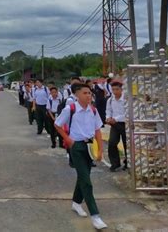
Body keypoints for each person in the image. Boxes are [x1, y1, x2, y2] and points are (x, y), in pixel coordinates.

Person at [54, 84, 107, 230]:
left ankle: (76, 203)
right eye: (85, 93)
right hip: (76, 147)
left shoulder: (93, 110)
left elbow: (97, 130)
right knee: (86, 181)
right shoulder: (70, 109)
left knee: (83, 176)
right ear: (77, 95)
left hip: (90, 146)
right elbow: (57, 124)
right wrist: (67, 139)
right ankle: (95, 216)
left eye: (90, 93)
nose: (89, 95)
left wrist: (100, 150)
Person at [106, 81, 128, 172]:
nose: (115, 92)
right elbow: (108, 110)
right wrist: (108, 118)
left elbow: (127, 113)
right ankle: (115, 163)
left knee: (127, 144)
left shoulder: (126, 100)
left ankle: (128, 162)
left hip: (125, 124)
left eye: (117, 89)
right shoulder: (110, 100)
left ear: (121, 89)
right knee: (112, 142)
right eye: (113, 89)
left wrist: (116, 118)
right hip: (114, 124)